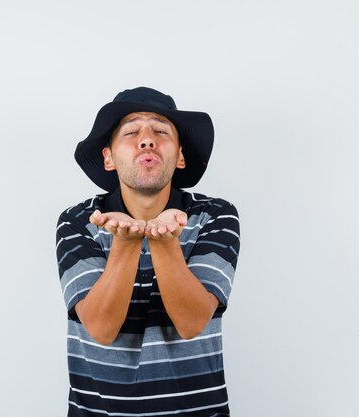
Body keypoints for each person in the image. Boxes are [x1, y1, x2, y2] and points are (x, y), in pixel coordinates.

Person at [56, 87, 241, 416]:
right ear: (108, 158)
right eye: (130, 131)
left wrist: (162, 240)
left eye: (160, 130)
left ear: (180, 156)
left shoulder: (215, 216)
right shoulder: (79, 222)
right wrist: (126, 243)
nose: (146, 139)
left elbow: (192, 323)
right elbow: (100, 328)